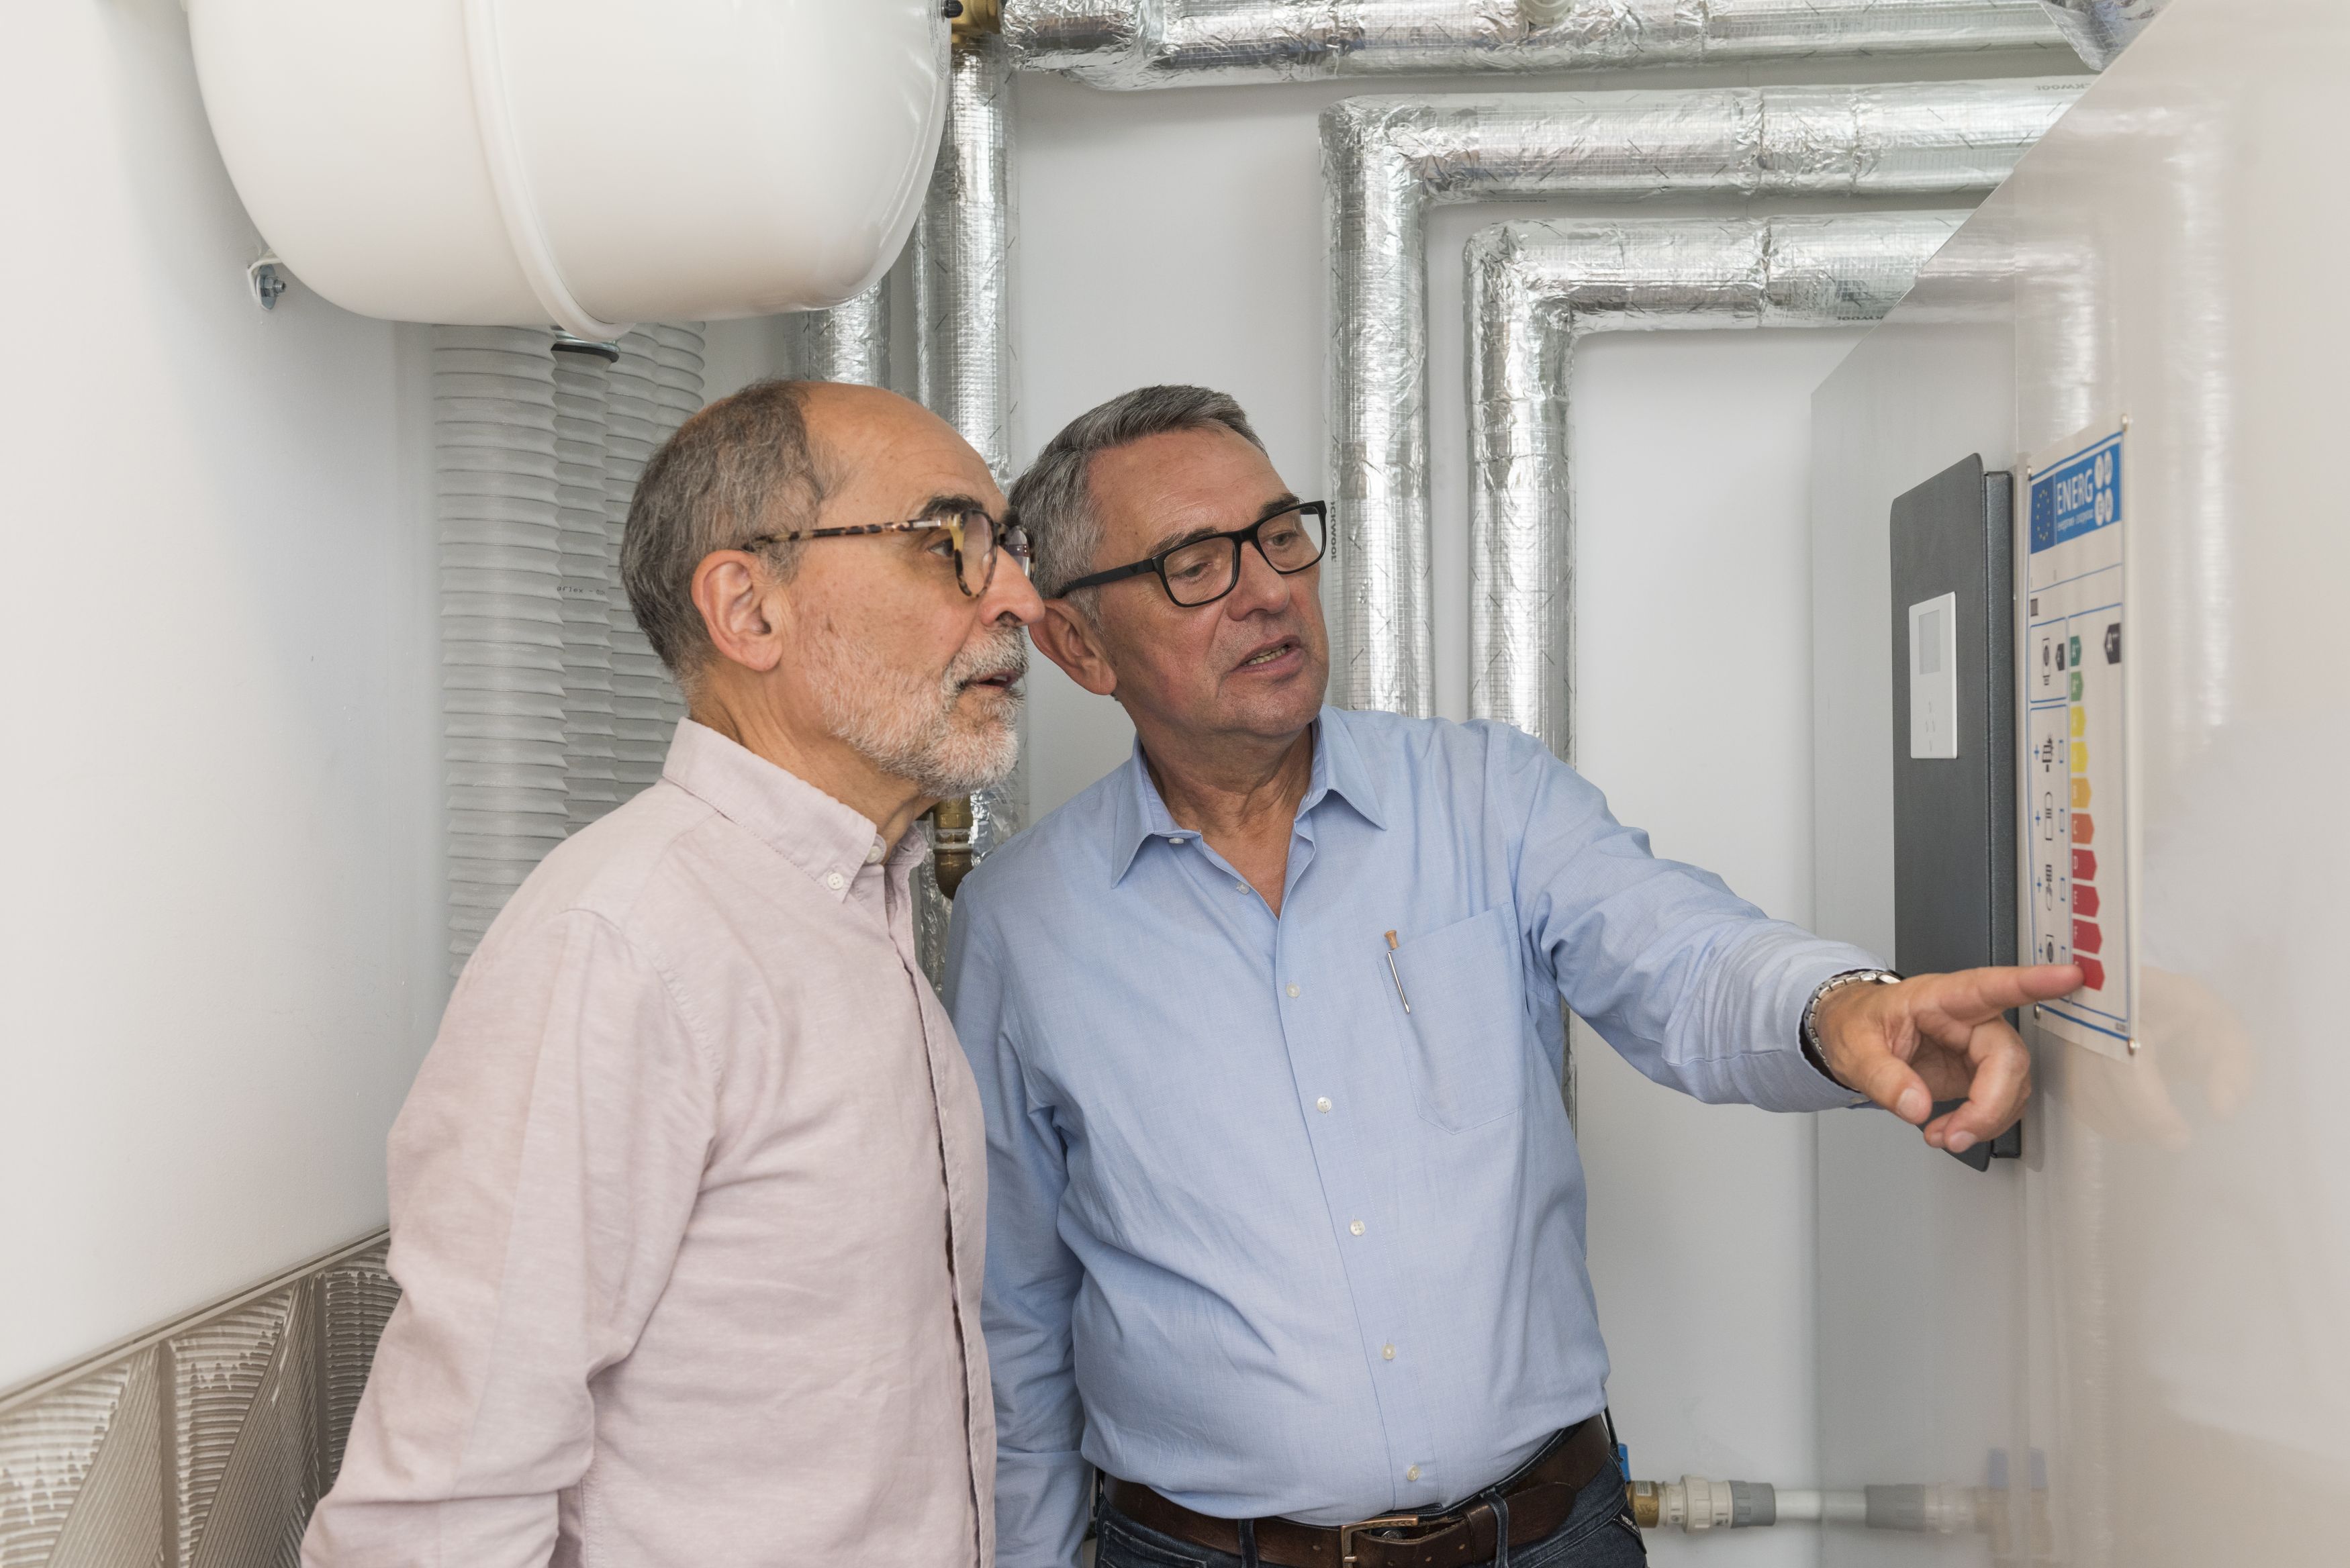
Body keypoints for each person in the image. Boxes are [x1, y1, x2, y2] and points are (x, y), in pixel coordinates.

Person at [945, 385, 2078, 1568]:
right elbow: (1011, 1317)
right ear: (1077, 643)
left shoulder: (1488, 797)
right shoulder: (1024, 927)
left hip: (1546, 1537)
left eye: (1279, 534)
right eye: (1195, 562)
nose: (1269, 586)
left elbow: (1682, 956)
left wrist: (1842, 1006)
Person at [303, 381, 1041, 1568]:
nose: (1019, 596)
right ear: (750, 609)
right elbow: (437, 1516)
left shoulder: (856, 909)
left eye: (1008, 546)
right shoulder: (624, 943)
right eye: (949, 544)